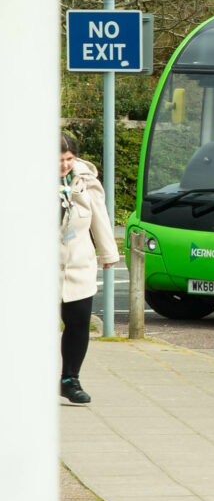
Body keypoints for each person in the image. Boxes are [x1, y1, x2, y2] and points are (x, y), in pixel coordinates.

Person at [60, 132, 121, 406]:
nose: (64, 165)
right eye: (59, 160)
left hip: (79, 262)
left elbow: (100, 216)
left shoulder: (86, 179)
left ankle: (70, 380)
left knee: (78, 322)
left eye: (69, 159)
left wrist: (108, 252)